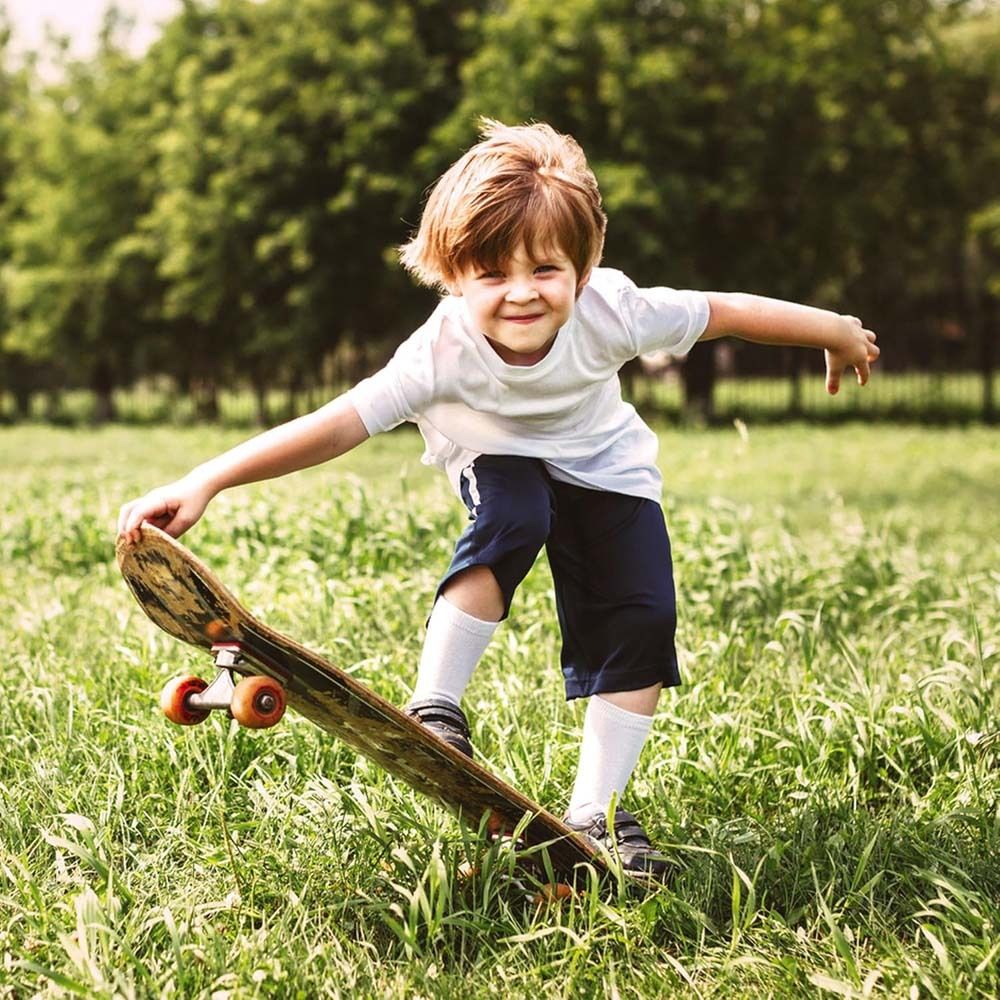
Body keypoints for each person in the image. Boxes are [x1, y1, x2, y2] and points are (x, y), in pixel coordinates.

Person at [118, 119, 879, 878]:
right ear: (453, 277)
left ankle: (600, 815)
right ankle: (436, 705)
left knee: (642, 615)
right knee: (516, 514)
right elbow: (338, 423)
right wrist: (207, 478)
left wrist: (836, 329)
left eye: (546, 269)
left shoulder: (615, 309)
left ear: (584, 267)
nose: (522, 293)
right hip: (492, 452)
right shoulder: (441, 350)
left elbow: (729, 312)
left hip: (605, 465)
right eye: (492, 275)